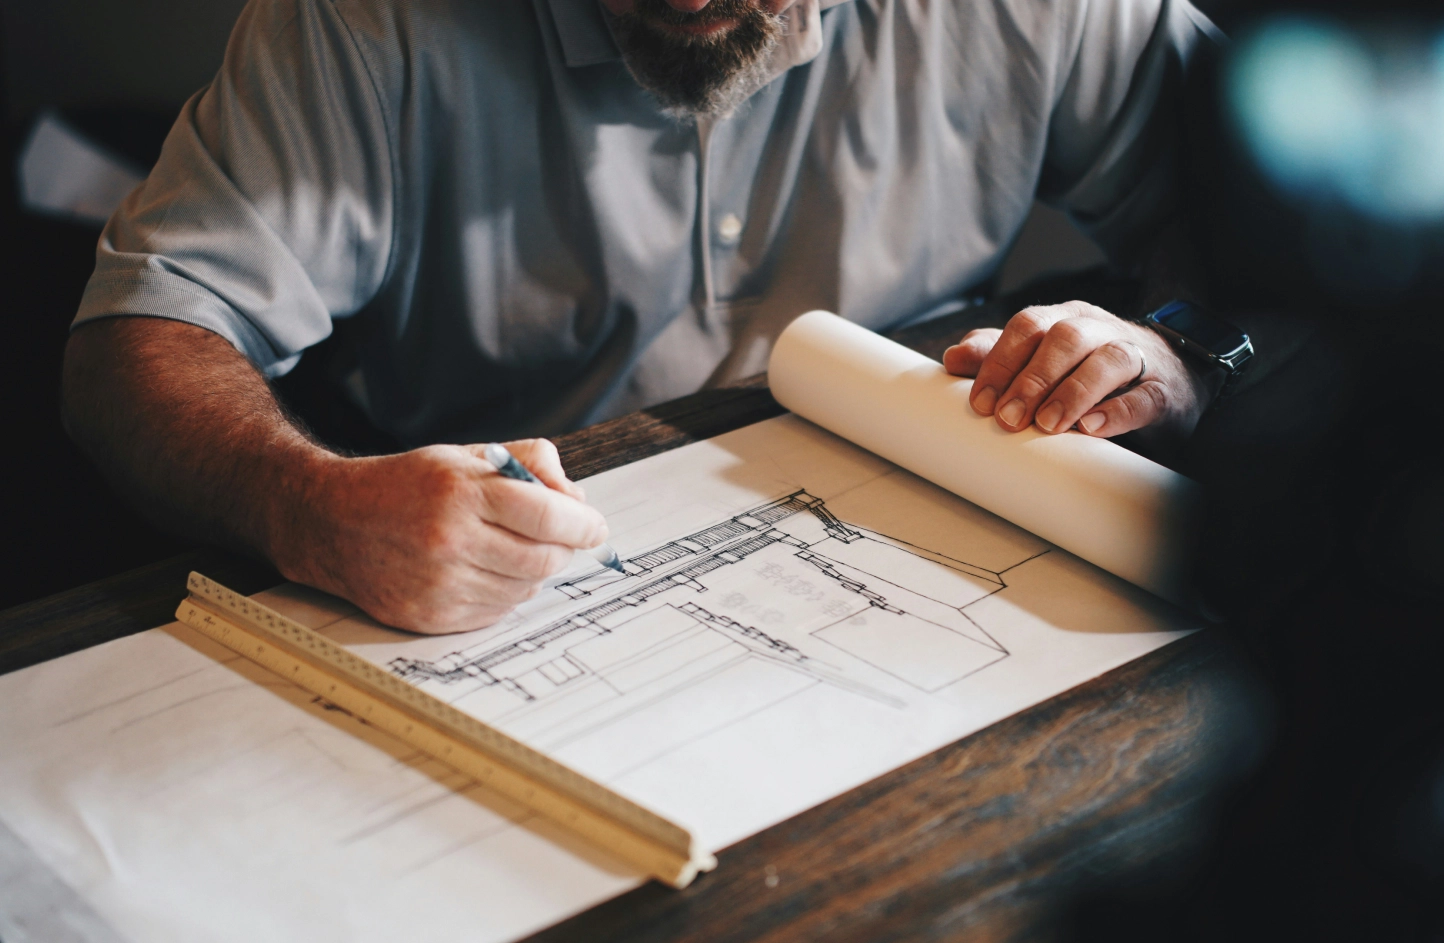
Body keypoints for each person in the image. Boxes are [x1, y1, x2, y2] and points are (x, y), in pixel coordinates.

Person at [61, 0, 1221, 633]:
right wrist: (304, 503)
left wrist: (1178, 345)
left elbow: (1312, 239)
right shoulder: (363, 25)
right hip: (506, 588)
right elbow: (139, 339)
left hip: (954, 586)